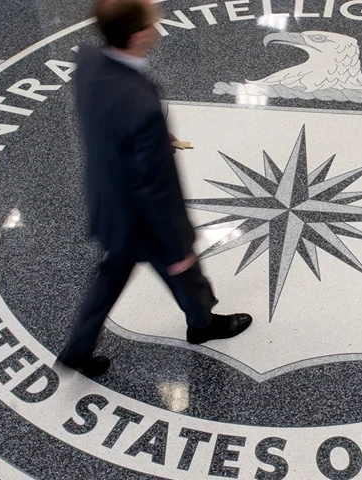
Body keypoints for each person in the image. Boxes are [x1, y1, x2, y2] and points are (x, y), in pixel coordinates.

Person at [58, 0, 252, 378]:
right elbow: (156, 187)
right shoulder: (140, 106)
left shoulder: (89, 62)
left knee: (111, 275)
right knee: (184, 269)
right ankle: (202, 325)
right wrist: (177, 244)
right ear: (139, 35)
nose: (158, 23)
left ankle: (78, 349)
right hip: (142, 218)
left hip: (107, 202)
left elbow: (110, 120)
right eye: (153, 19)